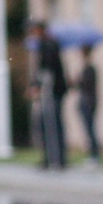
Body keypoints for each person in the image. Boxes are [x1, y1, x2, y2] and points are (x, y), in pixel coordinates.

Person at [27, 20, 68, 170]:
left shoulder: (48, 45)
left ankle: (55, 158)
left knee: (51, 124)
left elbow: (46, 69)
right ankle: (53, 157)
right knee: (49, 124)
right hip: (52, 90)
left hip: (52, 91)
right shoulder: (47, 45)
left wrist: (37, 85)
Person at [75, 44, 100, 163]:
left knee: (90, 128)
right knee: (88, 129)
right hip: (86, 101)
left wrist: (78, 80)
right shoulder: (86, 68)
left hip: (88, 102)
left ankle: (94, 154)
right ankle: (92, 153)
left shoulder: (89, 69)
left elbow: (86, 85)